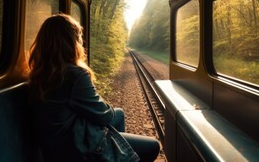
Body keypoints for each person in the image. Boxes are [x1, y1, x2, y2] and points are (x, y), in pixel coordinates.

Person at [28, 14, 160, 162]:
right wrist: (104, 105)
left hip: (57, 144)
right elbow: (105, 115)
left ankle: (116, 153)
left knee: (120, 114)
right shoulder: (74, 75)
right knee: (153, 146)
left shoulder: (40, 73)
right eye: (78, 37)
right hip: (76, 149)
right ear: (71, 42)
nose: (81, 41)